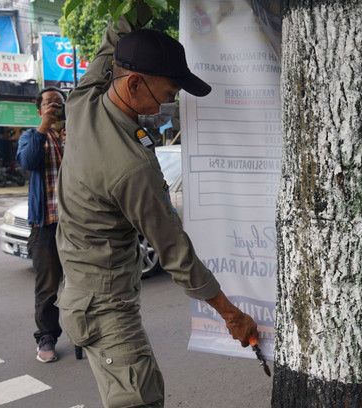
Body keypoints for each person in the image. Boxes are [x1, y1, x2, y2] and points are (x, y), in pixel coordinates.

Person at [55, 3, 258, 407]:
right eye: (169, 91)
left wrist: (141, 6)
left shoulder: (84, 101)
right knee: (142, 400)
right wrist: (231, 314)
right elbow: (174, 252)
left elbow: (115, 38)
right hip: (105, 311)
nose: (171, 101)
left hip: (83, 297)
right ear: (132, 85)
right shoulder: (130, 168)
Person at [16, 87, 67, 363]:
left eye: (58, 103)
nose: (54, 107)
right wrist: (44, 127)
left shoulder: (74, 136)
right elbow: (28, 161)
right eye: (48, 103)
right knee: (47, 288)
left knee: (85, 282)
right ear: (39, 111)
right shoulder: (30, 137)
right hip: (46, 226)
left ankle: (92, 332)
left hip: (77, 226)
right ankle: (47, 337)